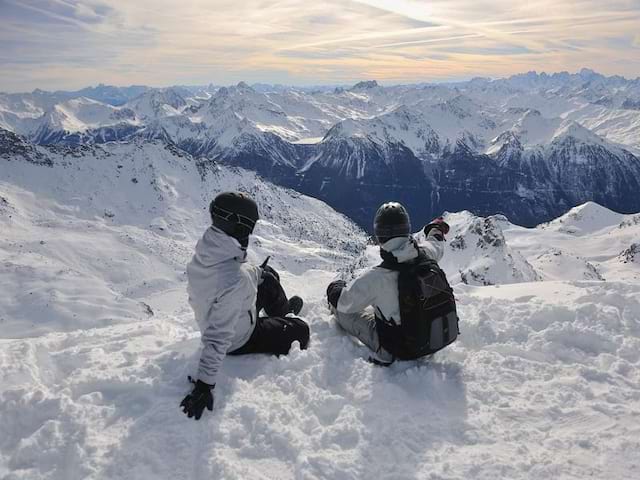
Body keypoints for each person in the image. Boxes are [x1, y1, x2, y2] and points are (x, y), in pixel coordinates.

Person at [180, 191, 309, 420]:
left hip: (231, 310)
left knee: (267, 275)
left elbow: (236, 274)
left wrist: (258, 272)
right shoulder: (233, 281)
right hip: (240, 338)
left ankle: (280, 309)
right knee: (302, 330)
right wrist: (204, 385)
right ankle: (286, 317)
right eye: (249, 228)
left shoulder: (207, 251)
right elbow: (218, 337)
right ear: (239, 228)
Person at [326, 202, 456, 365]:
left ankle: (385, 352)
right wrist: (435, 229)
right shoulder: (426, 255)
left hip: (400, 349)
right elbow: (436, 244)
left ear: (379, 235)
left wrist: (334, 288)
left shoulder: (377, 277)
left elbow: (345, 303)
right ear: (406, 229)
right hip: (430, 337)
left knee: (343, 312)